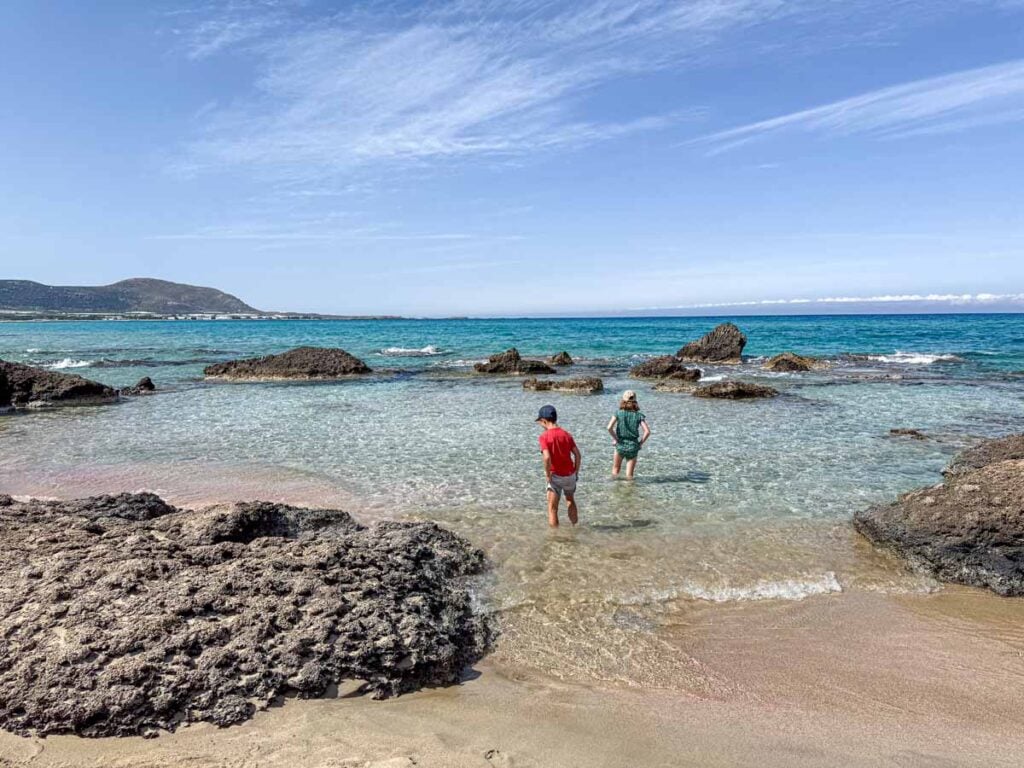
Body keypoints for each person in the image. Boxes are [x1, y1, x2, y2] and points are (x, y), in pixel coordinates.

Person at [536, 404, 581, 527]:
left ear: (544, 421)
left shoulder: (544, 437)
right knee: (570, 500)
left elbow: (546, 457)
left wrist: (547, 474)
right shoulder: (566, 434)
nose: (540, 425)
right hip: (570, 475)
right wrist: (576, 472)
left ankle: (555, 539)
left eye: (540, 422)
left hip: (555, 476)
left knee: (552, 508)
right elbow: (577, 454)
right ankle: (574, 527)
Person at [607, 390, 650, 479]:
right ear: (635, 401)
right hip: (633, 446)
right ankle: (629, 491)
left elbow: (609, 428)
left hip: (620, 444)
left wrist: (616, 439)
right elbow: (647, 432)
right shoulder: (639, 415)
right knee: (629, 475)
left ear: (623, 400)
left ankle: (614, 491)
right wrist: (640, 444)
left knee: (615, 470)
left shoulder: (618, 413)